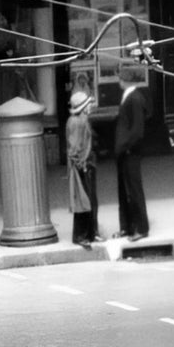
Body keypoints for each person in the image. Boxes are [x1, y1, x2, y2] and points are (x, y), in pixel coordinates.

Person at [112, 45, 153, 240]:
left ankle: (141, 228)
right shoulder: (128, 96)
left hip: (130, 152)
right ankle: (127, 226)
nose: (118, 79)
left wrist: (125, 147)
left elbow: (137, 130)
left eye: (120, 76)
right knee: (124, 190)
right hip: (124, 152)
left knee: (134, 189)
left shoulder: (134, 99)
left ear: (126, 79)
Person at [66, 88, 101, 246]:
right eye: (88, 104)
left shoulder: (81, 120)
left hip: (87, 164)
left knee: (89, 200)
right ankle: (81, 236)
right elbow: (74, 148)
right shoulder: (76, 122)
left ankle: (90, 233)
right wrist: (82, 164)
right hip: (83, 166)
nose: (90, 106)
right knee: (83, 201)